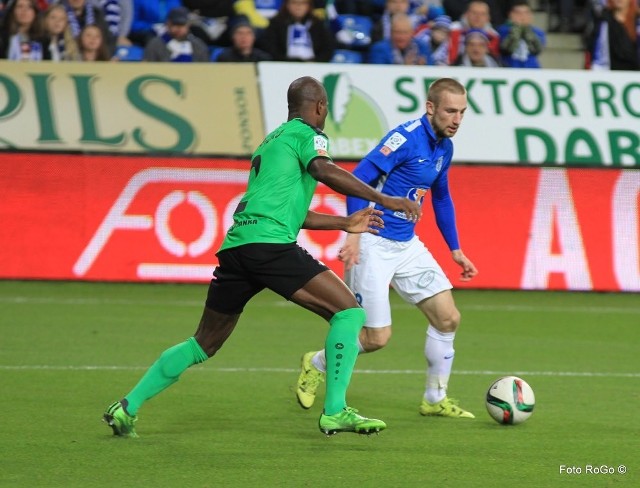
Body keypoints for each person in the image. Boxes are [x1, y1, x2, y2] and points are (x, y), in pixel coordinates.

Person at [102, 76, 423, 438]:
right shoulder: (308, 135)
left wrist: (345, 222)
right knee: (349, 312)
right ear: (319, 106)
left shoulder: (270, 143)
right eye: (326, 107)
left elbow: (292, 213)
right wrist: (384, 199)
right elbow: (323, 169)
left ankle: (127, 407)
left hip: (239, 247)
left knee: (203, 342)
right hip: (269, 246)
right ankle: (335, 411)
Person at [295, 78, 479, 420]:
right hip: (373, 243)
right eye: (451, 111)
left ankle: (434, 398)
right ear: (431, 108)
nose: (457, 119)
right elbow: (358, 178)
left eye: (462, 112)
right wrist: (354, 232)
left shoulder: (444, 147)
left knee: (448, 318)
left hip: (407, 244)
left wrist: (455, 249)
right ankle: (316, 362)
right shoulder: (405, 139)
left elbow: (440, 196)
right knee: (376, 338)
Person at [256, 0, 335, 62]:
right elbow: (270, 48)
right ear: (287, 4)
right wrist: (287, 61)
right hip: (283, 66)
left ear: (309, 5)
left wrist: (316, 61)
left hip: (313, 66)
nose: (298, 7)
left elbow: (328, 48)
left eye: (303, 3)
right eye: (294, 3)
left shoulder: (317, 24)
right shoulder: (276, 24)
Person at [143, 6, 209, 62]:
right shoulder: (155, 44)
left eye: (182, 25)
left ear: (188, 25)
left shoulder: (198, 45)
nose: (178, 28)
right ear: (168, 24)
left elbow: (206, 70)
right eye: (175, 24)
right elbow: (147, 68)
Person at [368, 12, 433, 64]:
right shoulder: (379, 49)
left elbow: (431, 71)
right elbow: (378, 75)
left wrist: (423, 68)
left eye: (405, 32)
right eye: (397, 32)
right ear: (391, 32)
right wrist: (404, 68)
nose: (401, 37)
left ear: (412, 33)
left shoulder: (422, 47)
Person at [497, 0, 545, 68]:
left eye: (526, 13)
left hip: (532, 69)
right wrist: (515, 31)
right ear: (510, 14)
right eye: (518, 13)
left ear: (531, 15)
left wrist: (527, 33)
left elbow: (537, 51)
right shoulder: (502, 30)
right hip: (508, 68)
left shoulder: (538, 32)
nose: (522, 16)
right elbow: (505, 50)